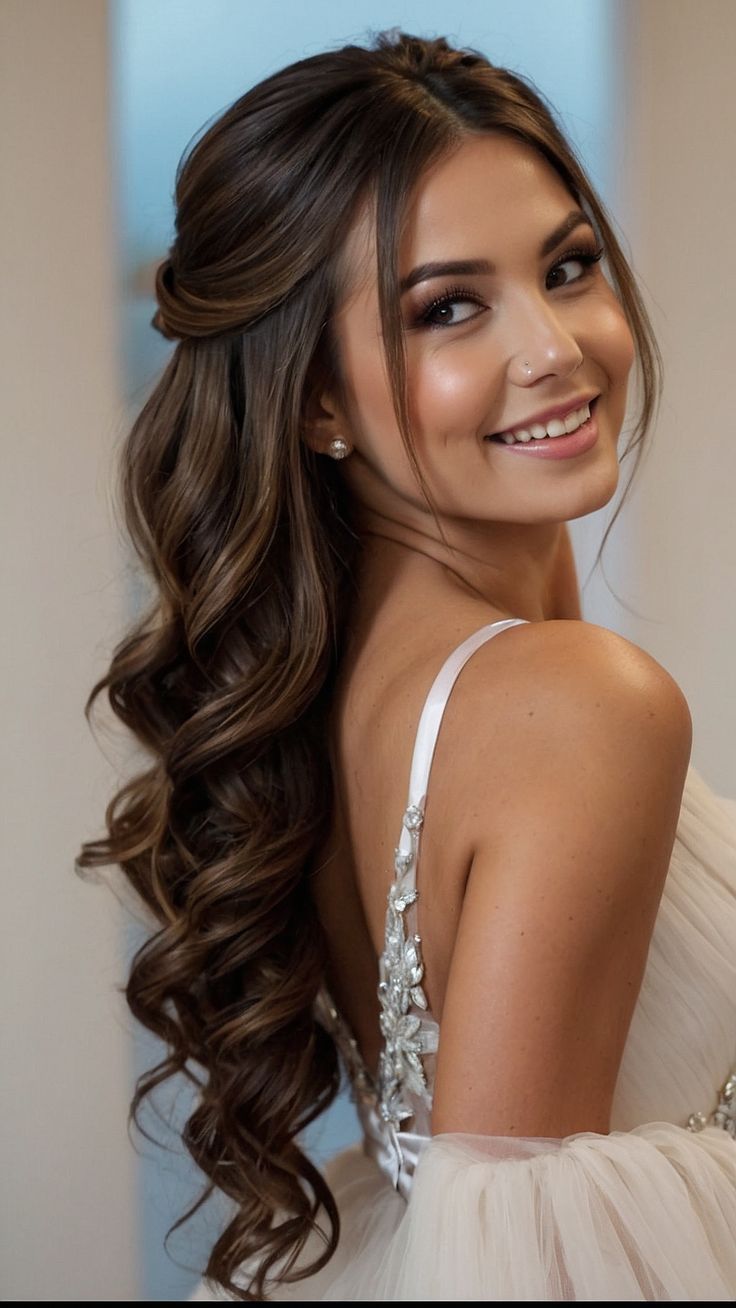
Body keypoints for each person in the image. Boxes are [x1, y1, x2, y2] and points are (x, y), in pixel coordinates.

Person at [78, 31, 736, 1302]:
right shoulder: (577, 703)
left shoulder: (342, 686)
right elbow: (530, 1262)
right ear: (316, 400)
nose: (553, 346)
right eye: (447, 307)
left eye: (568, 265)